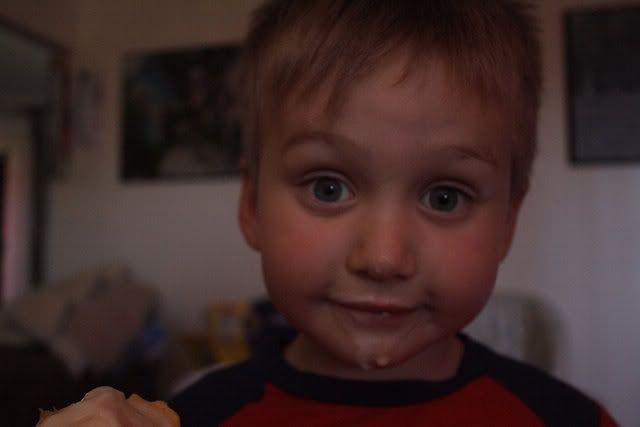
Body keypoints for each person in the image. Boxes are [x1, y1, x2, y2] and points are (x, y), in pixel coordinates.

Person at [40, 1, 618, 425]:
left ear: (508, 222)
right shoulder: (192, 417)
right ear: (252, 205)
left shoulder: (570, 421)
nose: (383, 258)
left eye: (445, 197)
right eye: (328, 187)